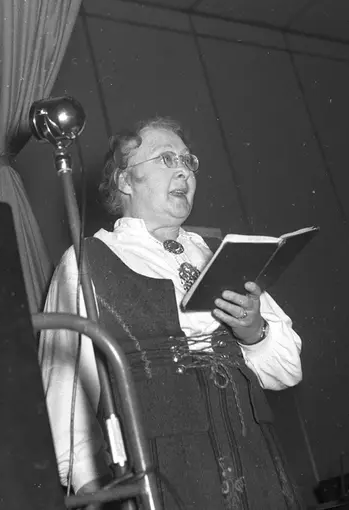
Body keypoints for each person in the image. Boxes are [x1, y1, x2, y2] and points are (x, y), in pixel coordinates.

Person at [39, 117, 303, 510]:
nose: (184, 171)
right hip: (165, 474)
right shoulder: (85, 262)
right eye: (166, 159)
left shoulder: (218, 252)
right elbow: (66, 403)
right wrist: (105, 497)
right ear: (126, 181)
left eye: (188, 161)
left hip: (257, 464)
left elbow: (287, 370)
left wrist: (253, 331)